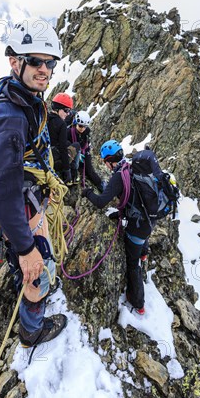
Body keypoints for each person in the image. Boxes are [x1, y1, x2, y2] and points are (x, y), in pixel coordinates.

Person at [0, 18, 67, 348]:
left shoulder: (20, 94)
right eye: (35, 61)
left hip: (29, 194)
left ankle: (32, 279)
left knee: (37, 257)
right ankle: (31, 331)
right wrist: (27, 250)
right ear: (15, 62)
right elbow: (2, 194)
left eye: (50, 62)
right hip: (19, 202)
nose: (44, 69)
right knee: (38, 265)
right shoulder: (10, 117)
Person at [82, 140, 150, 315]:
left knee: (132, 264)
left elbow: (100, 202)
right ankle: (144, 251)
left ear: (109, 161)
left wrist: (87, 192)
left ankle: (138, 303)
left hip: (138, 226)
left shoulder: (118, 176)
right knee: (142, 233)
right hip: (149, 219)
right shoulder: (130, 166)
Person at [47, 93, 80, 186]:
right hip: (55, 163)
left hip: (46, 157)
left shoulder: (46, 118)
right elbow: (63, 149)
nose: (68, 113)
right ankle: (74, 174)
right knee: (76, 145)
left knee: (68, 142)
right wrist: (67, 170)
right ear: (58, 109)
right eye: (66, 110)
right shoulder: (62, 125)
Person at [67, 111, 104, 191]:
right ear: (75, 123)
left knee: (89, 169)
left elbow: (86, 144)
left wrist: (85, 152)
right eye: (80, 126)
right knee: (74, 167)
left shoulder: (87, 132)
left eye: (85, 126)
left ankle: (100, 183)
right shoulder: (69, 132)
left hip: (84, 152)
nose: (82, 129)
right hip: (73, 154)